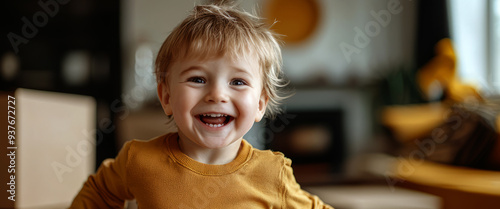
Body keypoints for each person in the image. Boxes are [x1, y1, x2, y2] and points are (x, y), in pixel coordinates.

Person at [70, 3, 334, 209]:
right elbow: (99, 192)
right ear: (166, 97)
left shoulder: (272, 174)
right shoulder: (139, 160)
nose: (217, 94)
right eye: (197, 79)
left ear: (260, 105)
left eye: (238, 81)